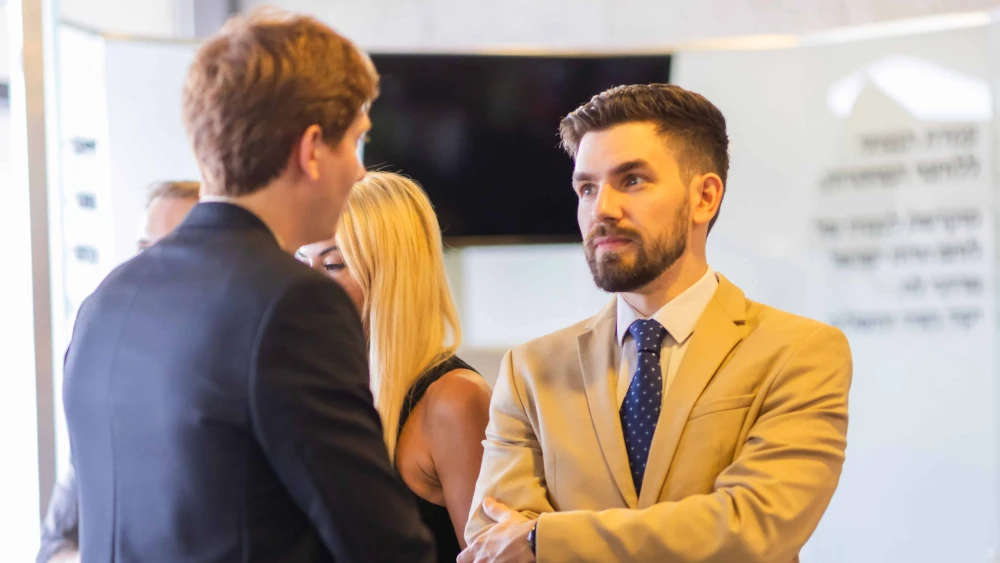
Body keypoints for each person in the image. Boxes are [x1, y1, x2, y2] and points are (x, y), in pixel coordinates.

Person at [62, 10, 435, 563]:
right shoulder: (295, 304)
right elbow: (381, 544)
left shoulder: (107, 299)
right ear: (310, 150)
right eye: (355, 143)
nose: (360, 174)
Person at [460, 84, 853, 563]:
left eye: (632, 181)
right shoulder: (531, 370)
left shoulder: (799, 352)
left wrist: (546, 540)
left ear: (704, 198)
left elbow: (752, 527)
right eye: (587, 188)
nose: (601, 208)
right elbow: (493, 537)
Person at [298, 172, 492, 563]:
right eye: (301, 263)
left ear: (392, 275)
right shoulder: (324, 390)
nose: (305, 284)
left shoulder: (453, 401)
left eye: (334, 265)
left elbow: (489, 556)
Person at [38, 181, 200, 563]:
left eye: (176, 251)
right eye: (144, 251)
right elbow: (53, 545)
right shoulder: (113, 397)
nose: (151, 269)